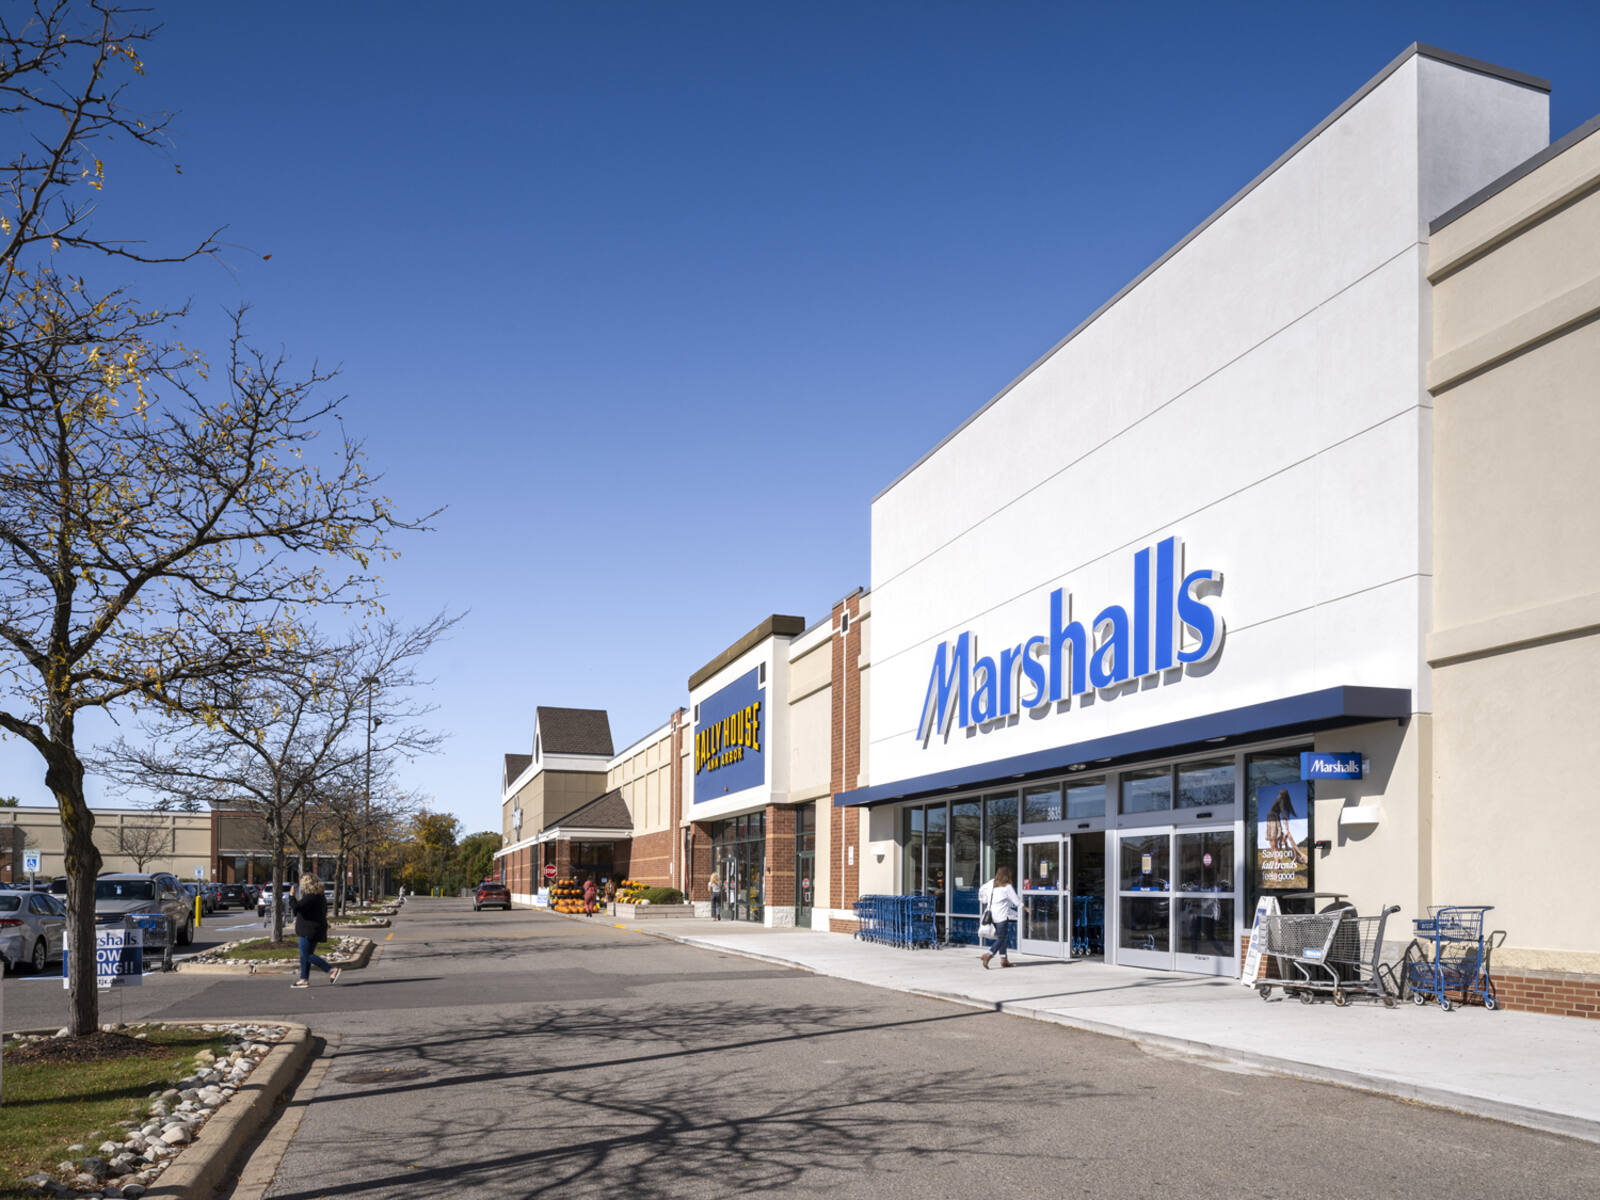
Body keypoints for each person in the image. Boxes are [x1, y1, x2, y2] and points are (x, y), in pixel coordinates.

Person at [289, 874, 341, 988]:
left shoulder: (311, 897)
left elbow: (296, 908)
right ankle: (304, 979)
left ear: (306, 884)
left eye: (302, 883)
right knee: (304, 955)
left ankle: (331, 969)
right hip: (314, 928)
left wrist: (291, 896)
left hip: (309, 929)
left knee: (307, 954)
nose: (301, 886)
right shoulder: (319, 896)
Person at [978, 865, 1020, 969]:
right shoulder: (1006, 886)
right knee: (1002, 938)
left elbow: (981, 891)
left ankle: (1004, 960)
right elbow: (1015, 900)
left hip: (992, 915)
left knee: (1002, 938)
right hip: (1001, 916)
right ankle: (988, 955)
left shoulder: (991, 882)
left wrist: (985, 900)